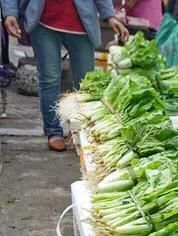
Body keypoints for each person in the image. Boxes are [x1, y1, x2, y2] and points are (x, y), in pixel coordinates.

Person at [1, 0, 128, 152]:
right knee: (50, 79)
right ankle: (53, 131)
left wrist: (110, 16)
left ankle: (82, 132)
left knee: (86, 84)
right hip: (44, 22)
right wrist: (10, 13)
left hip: (81, 25)